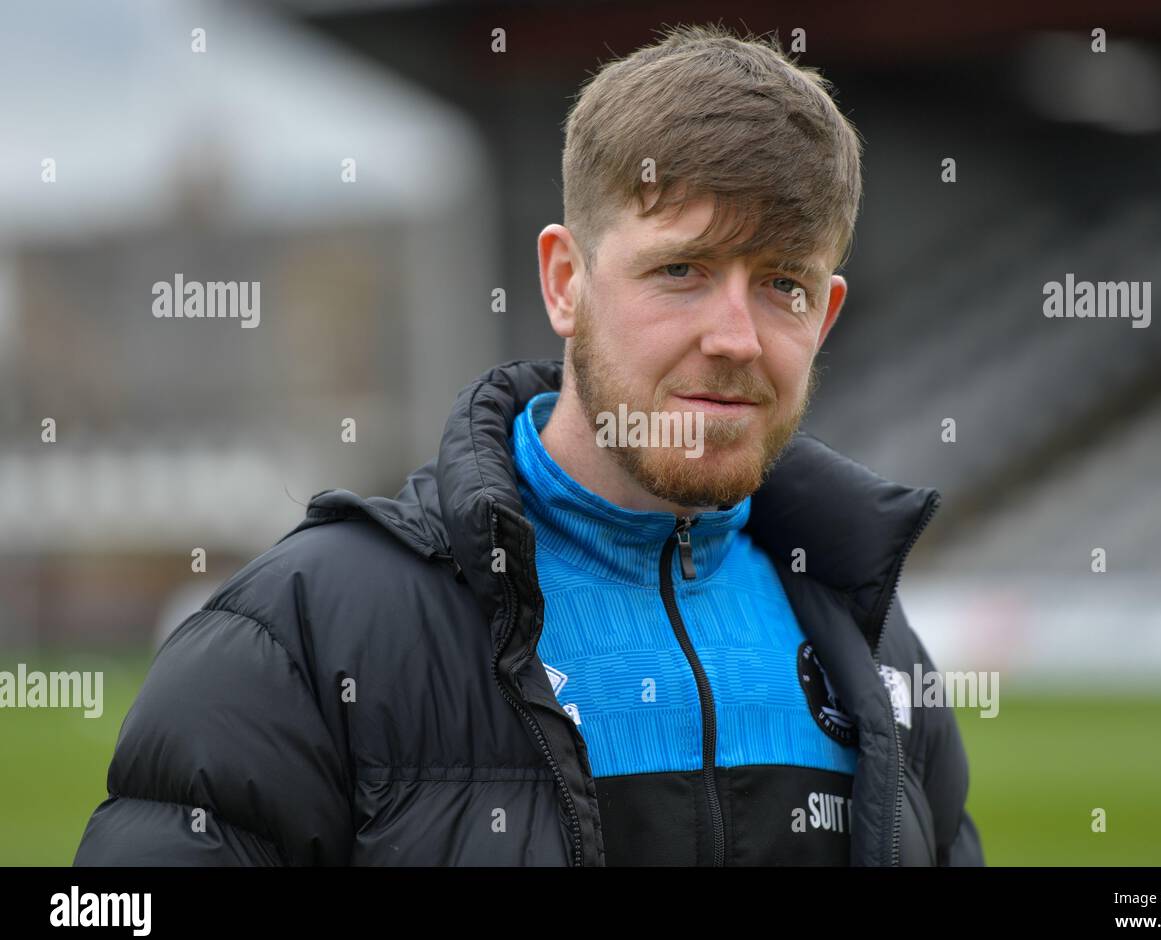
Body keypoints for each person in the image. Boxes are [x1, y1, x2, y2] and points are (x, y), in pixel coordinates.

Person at [74, 23, 983, 867]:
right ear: (563, 283)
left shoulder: (875, 650)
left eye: (783, 283)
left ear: (824, 317)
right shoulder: (304, 634)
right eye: (681, 271)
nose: (736, 338)